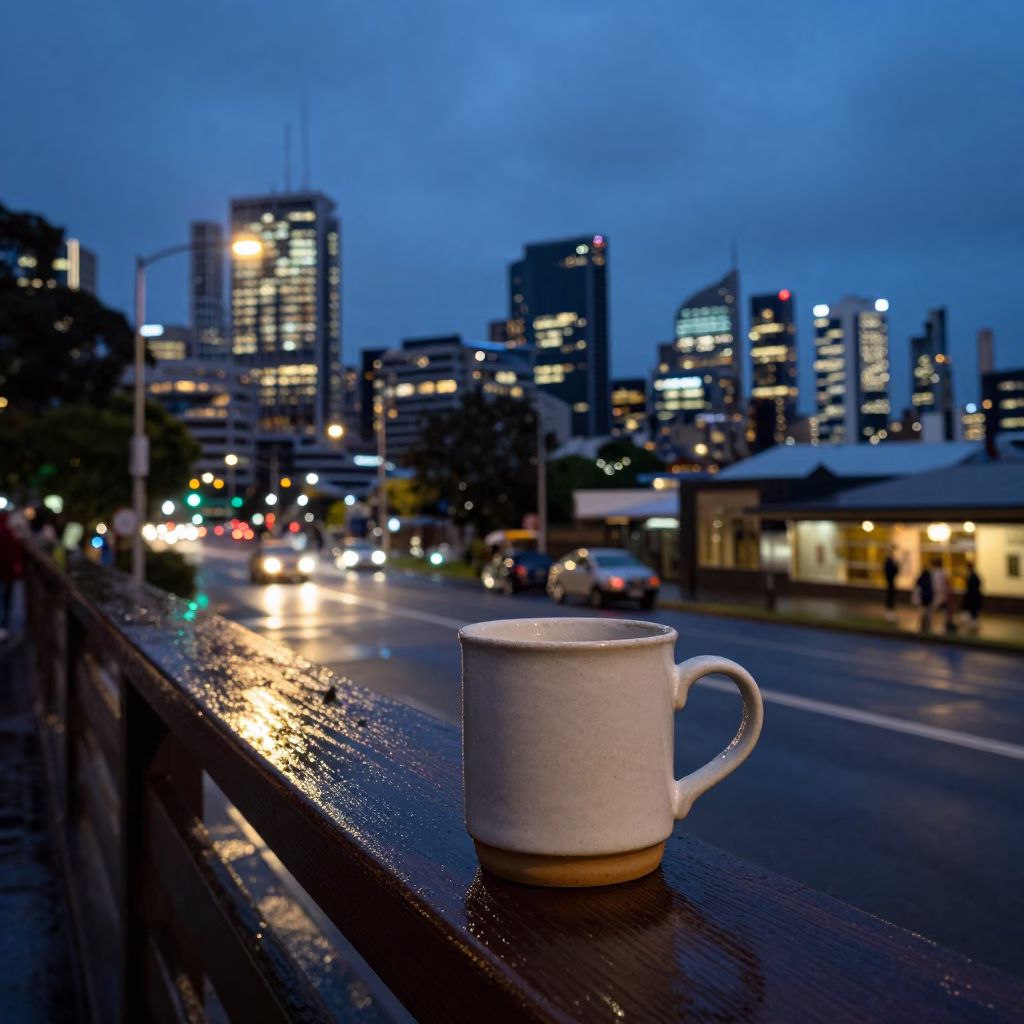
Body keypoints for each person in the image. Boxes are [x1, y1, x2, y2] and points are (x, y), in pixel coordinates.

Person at [0, 511, 25, 644]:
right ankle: (3, 626)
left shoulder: (7, 533)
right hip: (6, 573)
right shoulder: (7, 534)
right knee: (4, 599)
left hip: (5, 573)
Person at [963, 561, 983, 633]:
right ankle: (972, 625)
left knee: (973, 612)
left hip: (973, 597)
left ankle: (973, 626)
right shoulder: (973, 576)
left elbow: (973, 587)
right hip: (972, 597)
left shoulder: (973, 576)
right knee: (972, 612)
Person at [883, 548, 899, 623]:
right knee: (890, 598)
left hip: (891, 582)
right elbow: (892, 571)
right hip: (890, 582)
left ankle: (890, 615)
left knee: (891, 598)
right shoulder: (888, 562)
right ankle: (889, 615)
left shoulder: (890, 562)